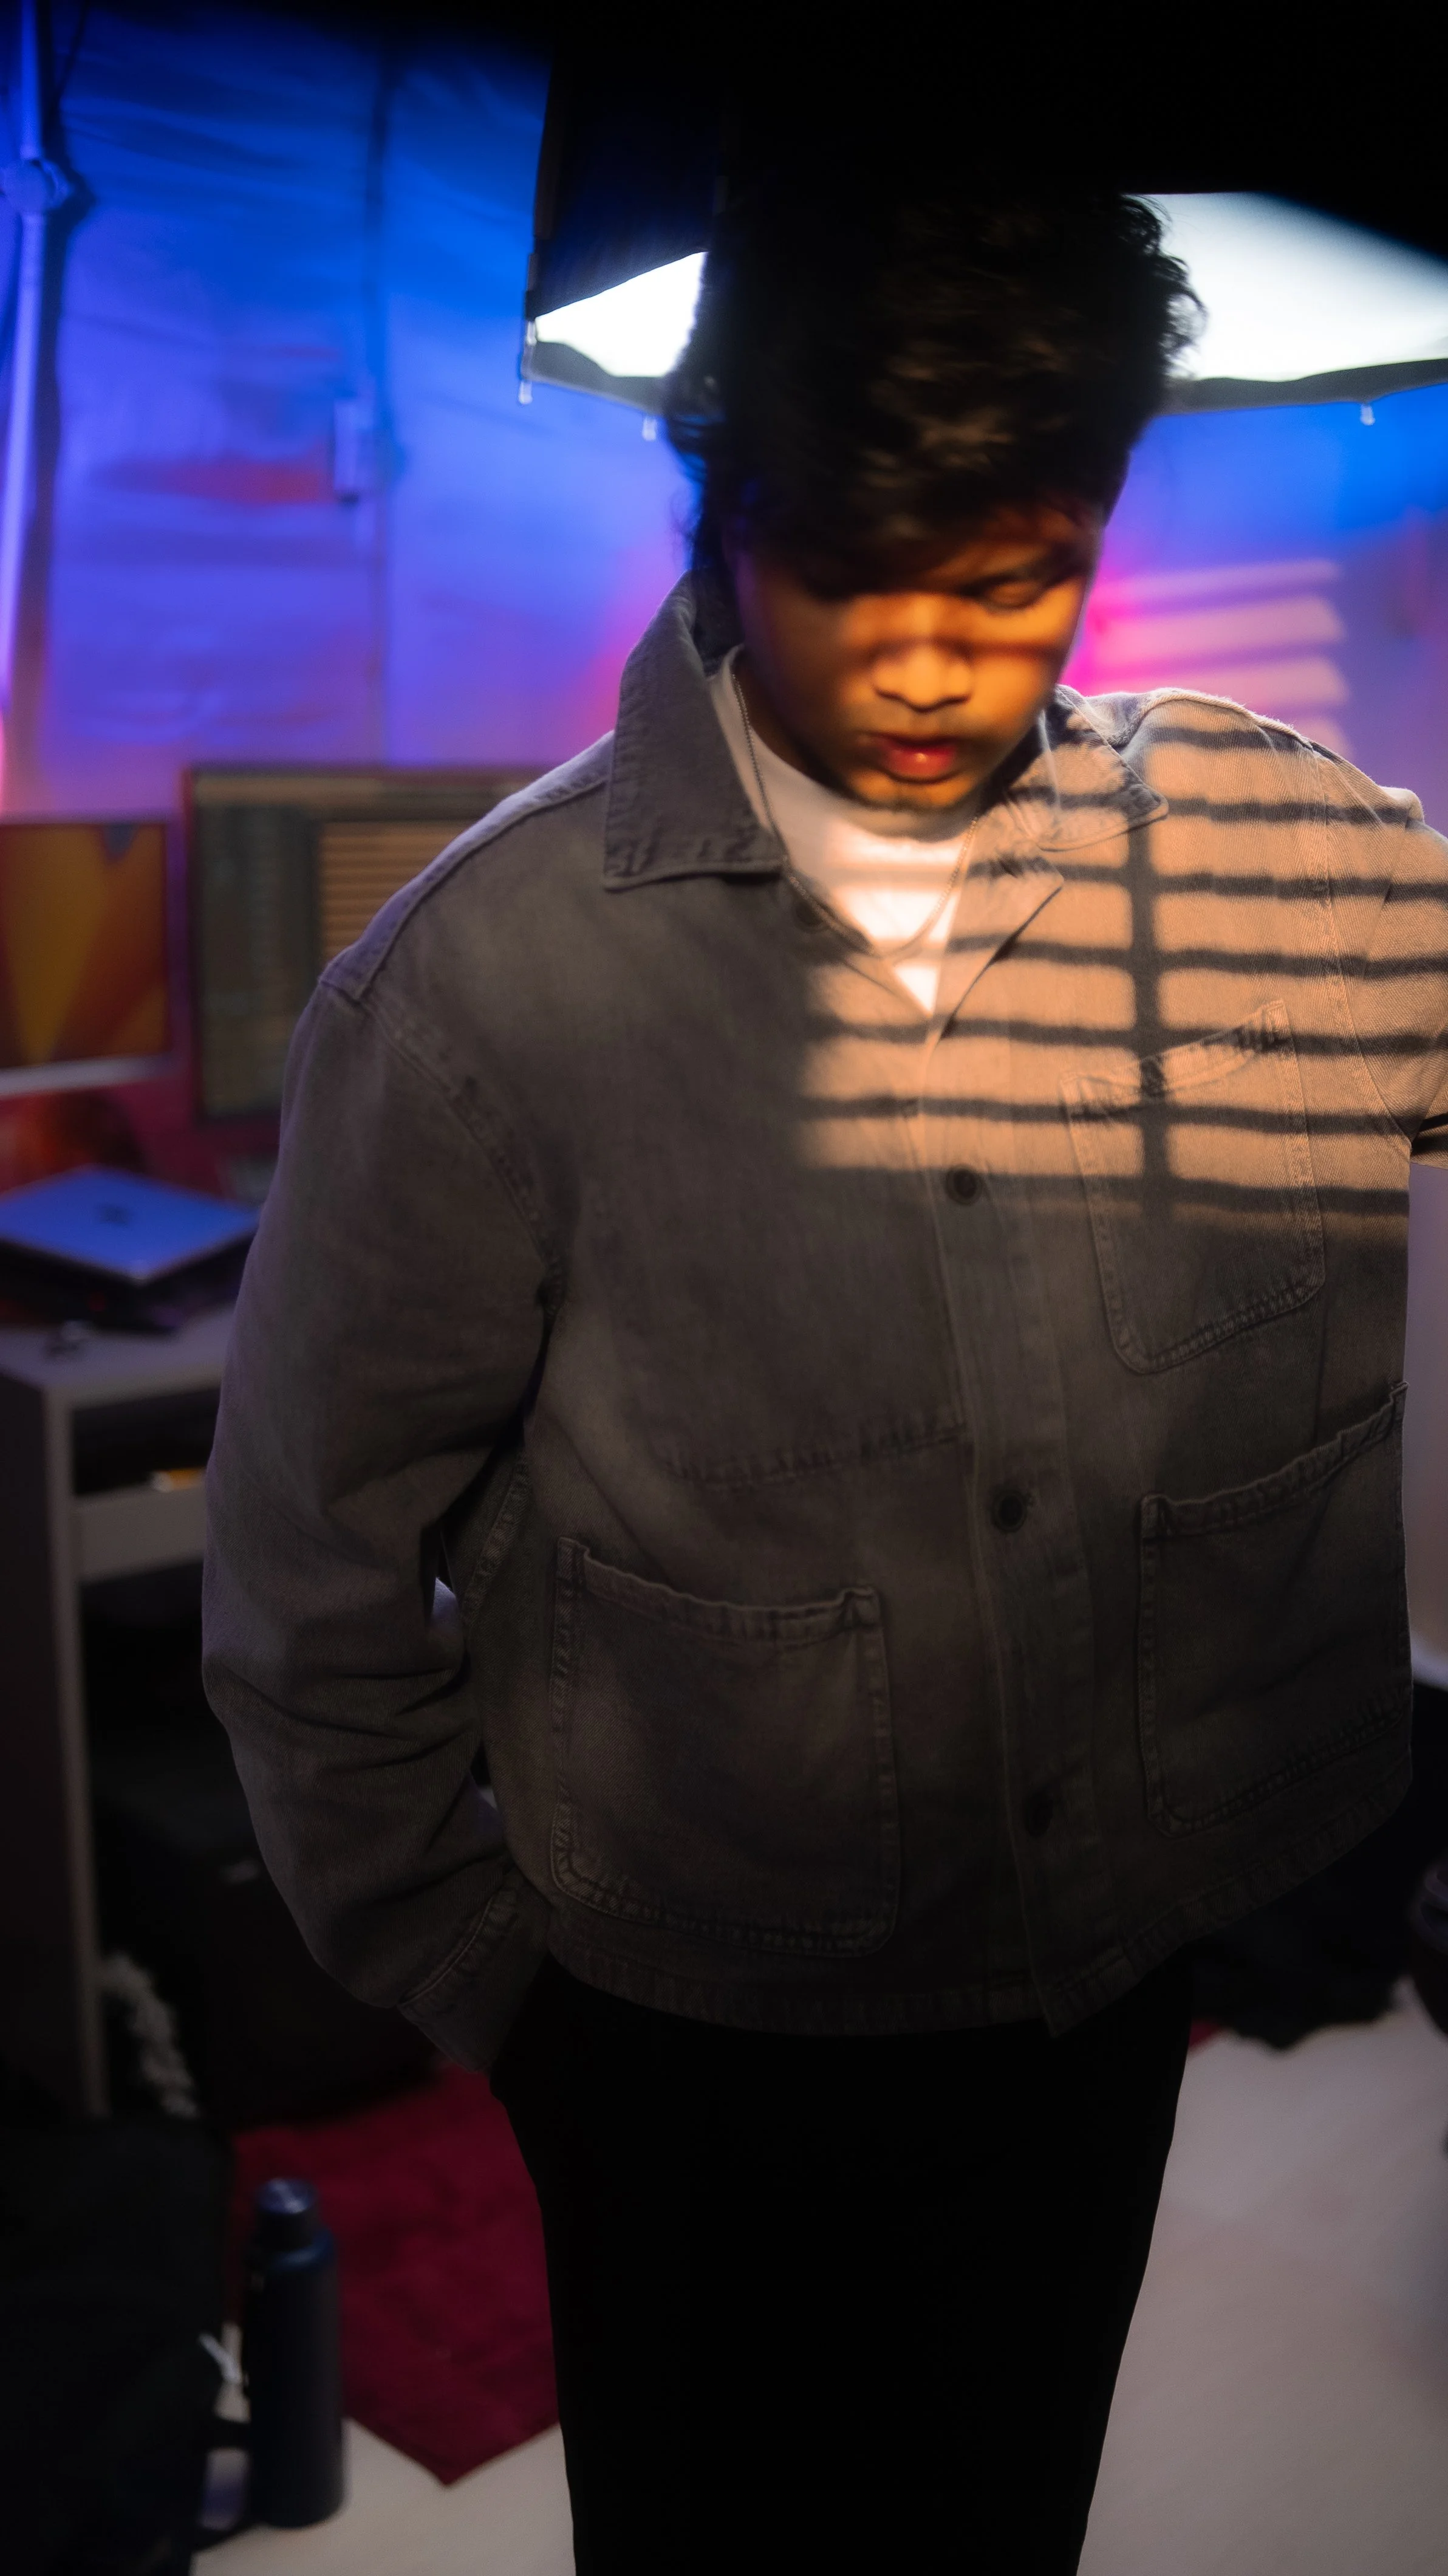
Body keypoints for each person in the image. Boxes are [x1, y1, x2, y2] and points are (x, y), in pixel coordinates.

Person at [203, 166, 1448, 2572]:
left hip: (1094, 1982)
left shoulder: (1283, 858)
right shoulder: (483, 999)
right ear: (718, 502)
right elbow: (304, 1603)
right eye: (847, 570)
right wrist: (512, 2013)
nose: (923, 664)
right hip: (684, 2037)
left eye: (1008, 578)